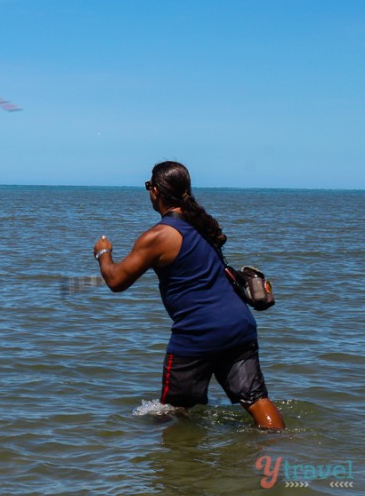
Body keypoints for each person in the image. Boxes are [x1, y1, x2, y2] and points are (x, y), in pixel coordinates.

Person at [93, 161, 284, 429]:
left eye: (149, 185)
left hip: (198, 333)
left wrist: (104, 252)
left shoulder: (158, 236)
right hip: (239, 324)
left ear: (156, 191)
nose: (149, 191)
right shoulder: (204, 226)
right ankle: (280, 448)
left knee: (171, 412)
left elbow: (115, 281)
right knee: (256, 400)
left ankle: (176, 467)